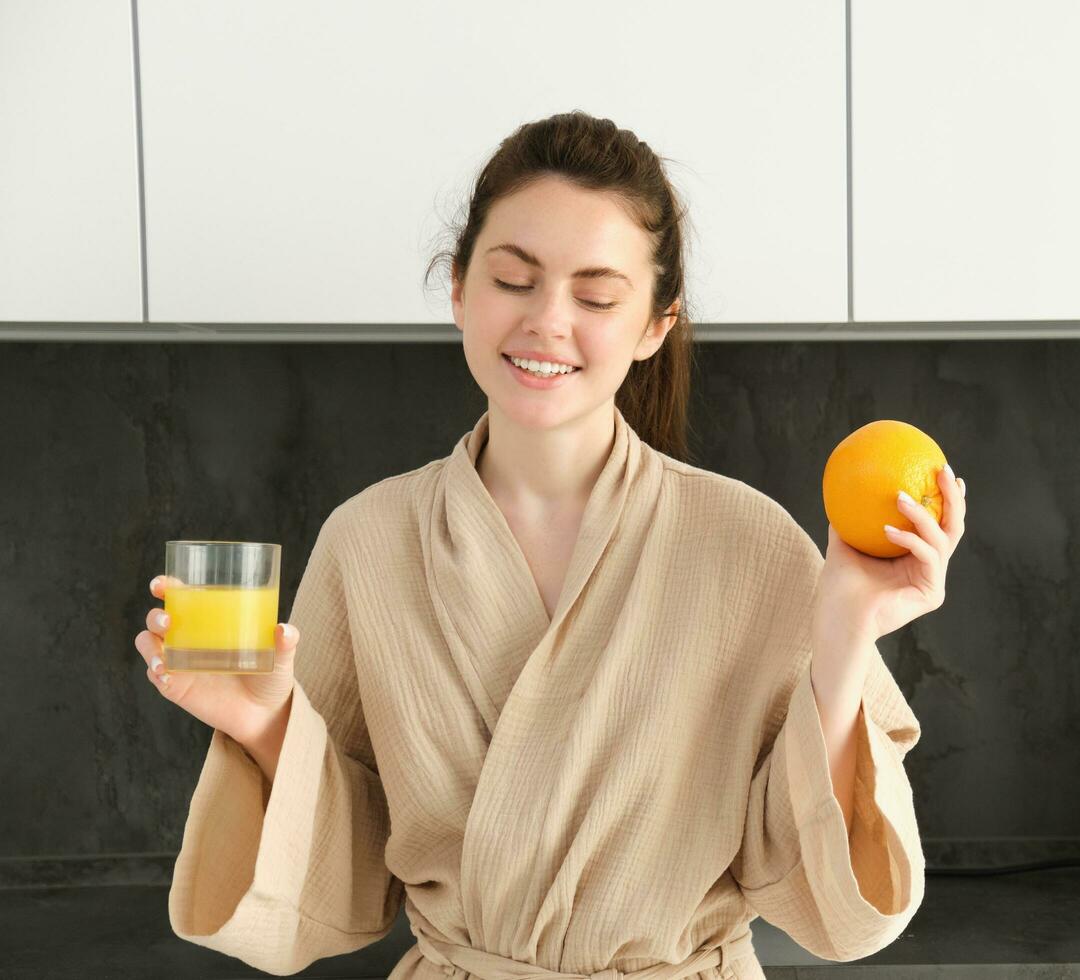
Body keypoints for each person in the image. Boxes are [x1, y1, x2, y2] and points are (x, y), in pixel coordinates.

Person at [129, 111, 967, 979]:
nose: (547, 322)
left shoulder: (748, 544)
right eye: (513, 280)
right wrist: (266, 723)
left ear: (654, 325)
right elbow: (343, 884)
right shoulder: (368, 541)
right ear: (458, 289)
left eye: (597, 297)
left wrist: (843, 637)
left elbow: (824, 898)